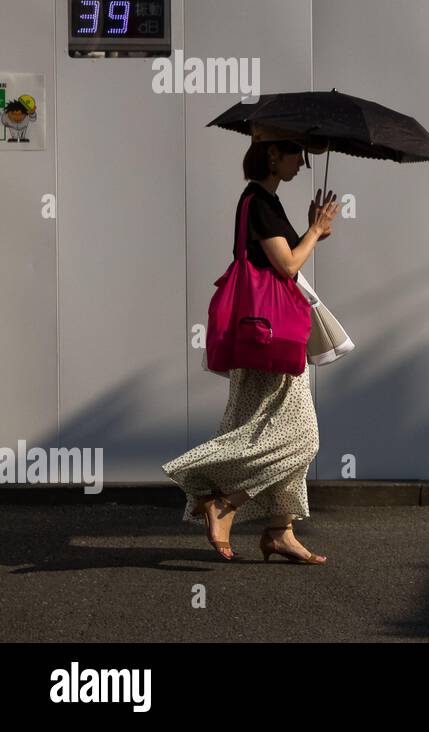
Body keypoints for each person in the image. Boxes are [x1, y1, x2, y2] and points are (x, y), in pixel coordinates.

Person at [162, 134, 341, 563]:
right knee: (301, 437)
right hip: (269, 339)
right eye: (296, 154)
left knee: (256, 427)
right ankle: (222, 503)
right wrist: (315, 230)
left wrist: (315, 228)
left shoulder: (262, 202)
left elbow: (281, 259)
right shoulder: (259, 202)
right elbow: (289, 265)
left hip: (260, 335)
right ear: (273, 155)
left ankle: (280, 532)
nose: (301, 163)